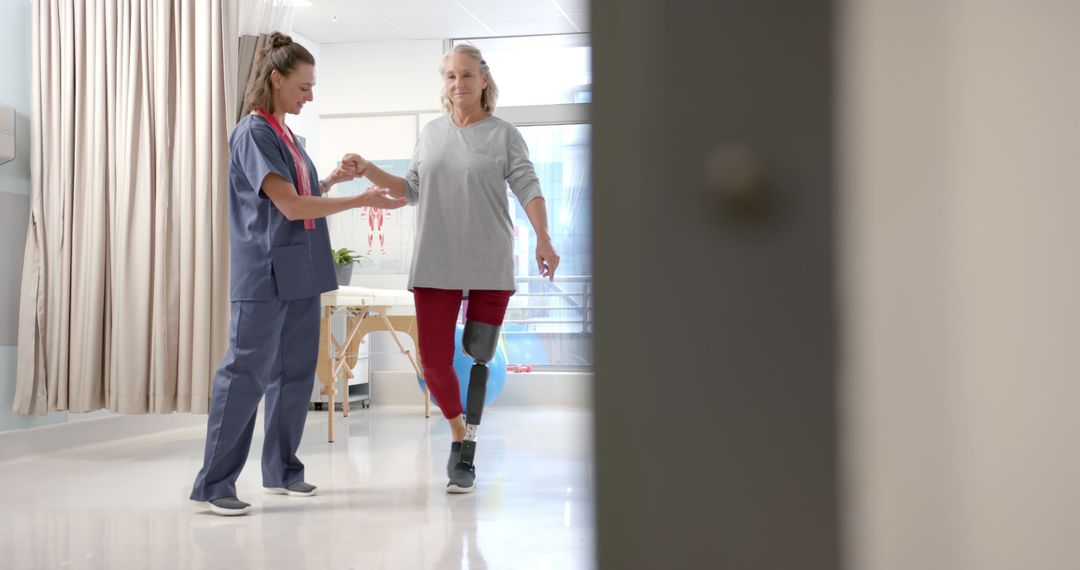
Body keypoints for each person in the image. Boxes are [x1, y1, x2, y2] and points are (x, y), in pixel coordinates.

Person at [190, 32, 407, 516]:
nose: (310, 96)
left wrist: (332, 180)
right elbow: (288, 206)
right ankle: (215, 483)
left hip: (303, 269)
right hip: (264, 270)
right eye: (304, 87)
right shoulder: (253, 132)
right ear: (276, 79)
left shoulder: (287, 135)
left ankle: (283, 470)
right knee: (244, 375)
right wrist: (361, 198)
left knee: (295, 375)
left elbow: (300, 192)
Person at [343, 44, 559, 493]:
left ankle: (469, 451)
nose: (457, 83)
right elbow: (411, 188)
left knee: (479, 353)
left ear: (483, 81)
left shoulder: (503, 134)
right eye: (449, 76)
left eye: (465, 75)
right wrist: (368, 170)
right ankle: (458, 432)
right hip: (436, 260)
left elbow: (528, 187)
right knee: (434, 361)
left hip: (488, 258)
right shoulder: (431, 133)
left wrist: (543, 237)